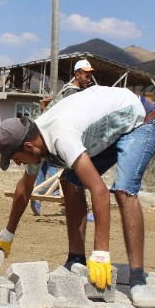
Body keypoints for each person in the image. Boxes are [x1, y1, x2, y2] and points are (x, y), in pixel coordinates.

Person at [0, 85, 155, 308]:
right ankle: (76, 260)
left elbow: (99, 191)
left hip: (141, 121)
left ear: (28, 146)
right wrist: (6, 236)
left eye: (16, 158)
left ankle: (138, 280)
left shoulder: (61, 136)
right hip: (110, 129)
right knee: (69, 181)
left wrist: (101, 253)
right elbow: (24, 189)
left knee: (124, 190)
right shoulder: (36, 140)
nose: (18, 163)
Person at [30, 59, 96, 215]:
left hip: (44, 134)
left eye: (90, 75)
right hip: (51, 136)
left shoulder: (69, 91)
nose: (89, 78)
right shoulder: (72, 93)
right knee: (62, 171)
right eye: (86, 75)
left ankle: (37, 197)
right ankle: (76, 208)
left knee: (44, 168)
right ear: (77, 74)